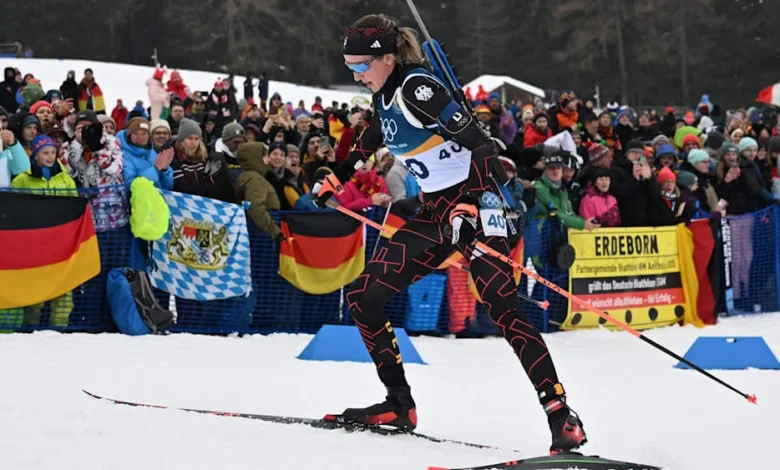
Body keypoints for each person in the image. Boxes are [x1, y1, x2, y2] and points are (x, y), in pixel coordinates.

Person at [315, 13, 587, 455]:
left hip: (480, 204)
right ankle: (398, 404)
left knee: (502, 306)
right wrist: (338, 175)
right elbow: (374, 135)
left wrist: (469, 203)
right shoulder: (384, 95)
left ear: (387, 59)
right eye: (350, 68)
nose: (357, 75)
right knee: (364, 296)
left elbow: (481, 145)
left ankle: (560, 414)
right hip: (435, 212)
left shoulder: (418, 89)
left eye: (362, 66)